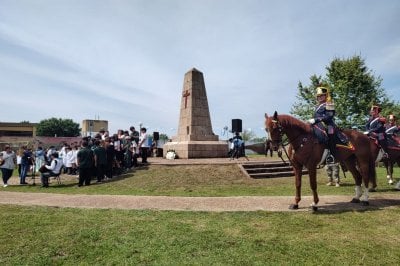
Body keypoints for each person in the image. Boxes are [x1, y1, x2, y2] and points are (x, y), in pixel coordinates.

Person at [308, 86, 337, 164]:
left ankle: (331, 155)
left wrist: (316, 120)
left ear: (326, 95)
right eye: (318, 96)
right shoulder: (317, 106)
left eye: (321, 95)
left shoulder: (329, 103)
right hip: (317, 124)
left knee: (330, 134)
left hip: (329, 124)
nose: (320, 97)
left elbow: (329, 116)